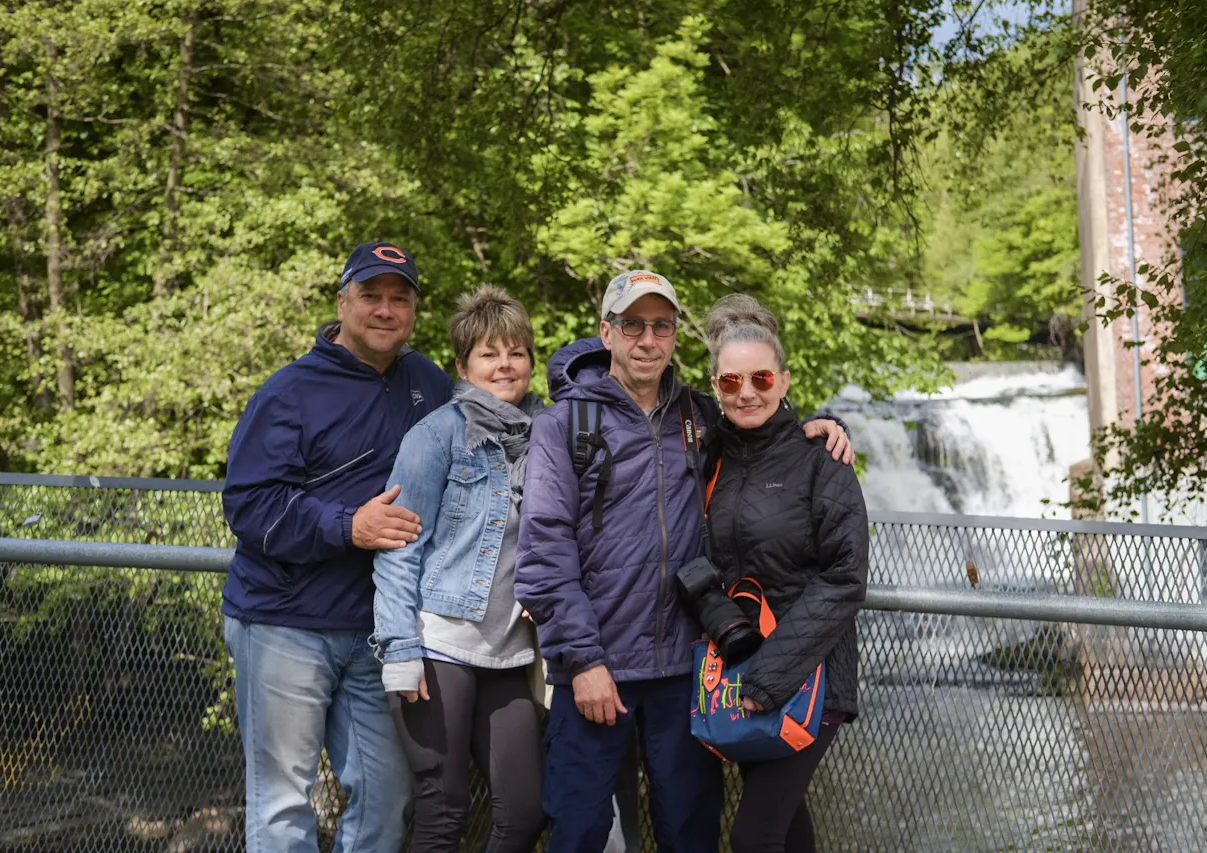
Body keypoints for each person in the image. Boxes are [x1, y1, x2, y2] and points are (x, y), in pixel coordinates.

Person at [514, 270, 854, 853]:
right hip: (598, 666)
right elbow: (544, 556)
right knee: (579, 829)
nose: (648, 339)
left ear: (675, 335)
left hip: (686, 669)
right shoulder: (564, 425)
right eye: (633, 325)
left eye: (662, 326)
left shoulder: (698, 416)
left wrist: (819, 426)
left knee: (691, 831)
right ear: (607, 333)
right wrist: (583, 659)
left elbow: (761, 431)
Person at [221, 242, 454, 852]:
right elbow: (249, 505)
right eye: (371, 295)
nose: (385, 310)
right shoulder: (289, 392)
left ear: (414, 310)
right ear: (343, 301)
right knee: (281, 802)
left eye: (399, 298)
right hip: (284, 623)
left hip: (380, 630)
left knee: (386, 796)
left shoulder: (430, 383)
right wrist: (350, 526)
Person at [372, 286, 547, 853]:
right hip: (437, 647)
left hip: (508, 652)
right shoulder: (437, 435)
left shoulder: (548, 436)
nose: (505, 365)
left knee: (524, 813)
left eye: (516, 352)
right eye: (489, 354)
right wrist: (400, 650)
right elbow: (399, 548)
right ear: (463, 366)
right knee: (443, 813)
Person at [700, 293, 869, 853]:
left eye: (762, 378)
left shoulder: (822, 459)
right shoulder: (711, 457)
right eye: (731, 381)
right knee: (787, 828)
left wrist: (768, 680)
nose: (746, 392)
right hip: (738, 673)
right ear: (715, 386)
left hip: (807, 679)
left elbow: (845, 577)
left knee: (754, 836)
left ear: (784, 381)